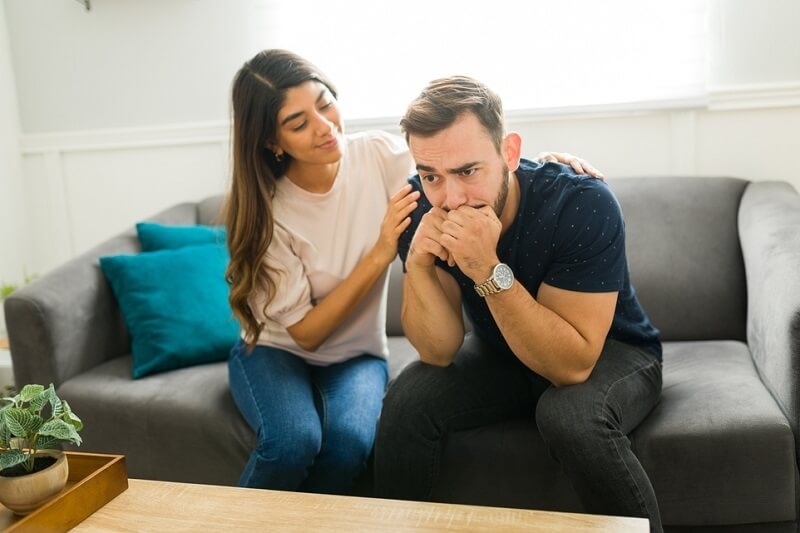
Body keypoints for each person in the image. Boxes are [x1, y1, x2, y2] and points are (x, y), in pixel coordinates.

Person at [223, 49, 603, 494]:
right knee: (292, 442)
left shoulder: (378, 156)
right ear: (272, 141)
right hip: (278, 350)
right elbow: (306, 334)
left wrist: (536, 167)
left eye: (324, 103)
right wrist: (383, 251)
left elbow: (458, 165)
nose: (325, 126)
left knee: (348, 444)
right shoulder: (267, 212)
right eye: (298, 123)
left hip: (357, 355)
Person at [373, 75, 664, 532]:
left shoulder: (582, 204)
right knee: (408, 400)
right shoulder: (423, 208)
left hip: (613, 350)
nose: (451, 199)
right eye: (432, 175)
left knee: (568, 414)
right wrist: (421, 265)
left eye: (468, 171)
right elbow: (438, 350)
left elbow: (571, 366)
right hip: (502, 352)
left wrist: (487, 269)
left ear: (509, 152)